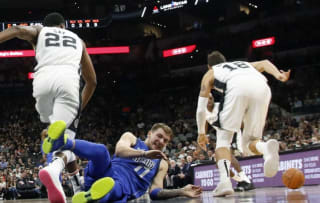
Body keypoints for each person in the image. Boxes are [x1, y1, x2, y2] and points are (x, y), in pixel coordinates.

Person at [0, 12, 97, 203]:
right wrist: (78, 109)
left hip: (43, 85)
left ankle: (78, 185)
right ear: (63, 26)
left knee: (59, 137)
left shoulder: (40, 31)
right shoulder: (77, 40)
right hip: (68, 87)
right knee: (66, 142)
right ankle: (54, 170)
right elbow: (92, 82)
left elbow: (17, 29)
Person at [196, 51, 290, 197]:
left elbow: (201, 108)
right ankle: (266, 149)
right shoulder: (243, 65)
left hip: (237, 89)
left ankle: (225, 183)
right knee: (250, 145)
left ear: (209, 66)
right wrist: (279, 75)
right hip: (262, 87)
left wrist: (201, 133)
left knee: (223, 142)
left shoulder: (211, 72)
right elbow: (265, 63)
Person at [46, 122, 202, 202]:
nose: (161, 141)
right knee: (101, 151)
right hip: (106, 171)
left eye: (165, 141)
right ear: (149, 133)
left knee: (114, 187)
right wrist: (145, 154)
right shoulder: (132, 138)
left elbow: (155, 192)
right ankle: (61, 141)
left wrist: (181, 191)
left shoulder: (162, 163)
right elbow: (120, 150)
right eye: (159, 136)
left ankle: (89, 197)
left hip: (124, 186)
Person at [205, 93, 254, 191]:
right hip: (220, 132)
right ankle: (240, 180)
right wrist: (204, 135)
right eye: (207, 98)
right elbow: (205, 123)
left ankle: (245, 180)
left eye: (211, 98)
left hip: (229, 128)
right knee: (218, 163)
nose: (210, 100)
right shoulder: (203, 112)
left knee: (226, 154)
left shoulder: (220, 107)